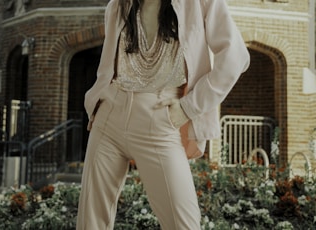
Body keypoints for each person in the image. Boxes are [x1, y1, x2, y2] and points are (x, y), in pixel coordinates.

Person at [76, 0, 250, 229]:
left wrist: (189, 107)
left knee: (183, 224)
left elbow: (235, 56)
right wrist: (98, 101)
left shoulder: (200, 3)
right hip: (108, 119)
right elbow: (109, 65)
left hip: (160, 120)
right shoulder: (118, 6)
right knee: (91, 223)